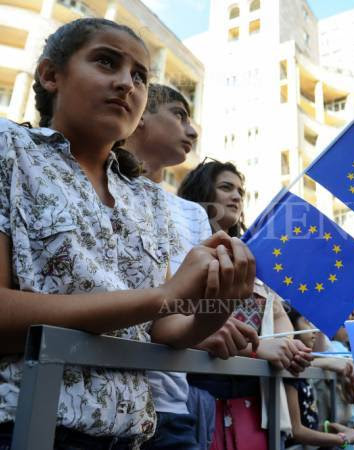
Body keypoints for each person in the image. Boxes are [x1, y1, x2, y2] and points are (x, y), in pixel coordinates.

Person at [0, 18, 256, 447]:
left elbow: (160, 329)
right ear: (50, 75)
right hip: (25, 425)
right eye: (106, 62)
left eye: (139, 76)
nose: (126, 84)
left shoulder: (150, 199)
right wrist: (165, 295)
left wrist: (212, 310)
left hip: (132, 435)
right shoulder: (9, 149)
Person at [123, 84, 260, 449]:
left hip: (170, 403)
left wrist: (207, 323)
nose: (192, 131)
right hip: (98, 397)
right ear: (139, 114)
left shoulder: (190, 215)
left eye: (241, 191)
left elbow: (181, 316)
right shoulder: (97, 186)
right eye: (179, 115)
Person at [178, 159, 313, 449]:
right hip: (197, 397)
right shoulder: (179, 244)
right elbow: (174, 319)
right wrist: (258, 348)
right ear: (201, 193)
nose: (236, 196)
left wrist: (287, 345)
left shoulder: (254, 257)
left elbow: (278, 316)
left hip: (255, 403)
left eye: (240, 191)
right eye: (226, 187)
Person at [284, 309, 354, 448]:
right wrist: (342, 439)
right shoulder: (290, 372)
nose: (314, 330)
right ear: (291, 325)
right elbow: (296, 431)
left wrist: (329, 427)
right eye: (308, 322)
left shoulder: (299, 372)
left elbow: (309, 424)